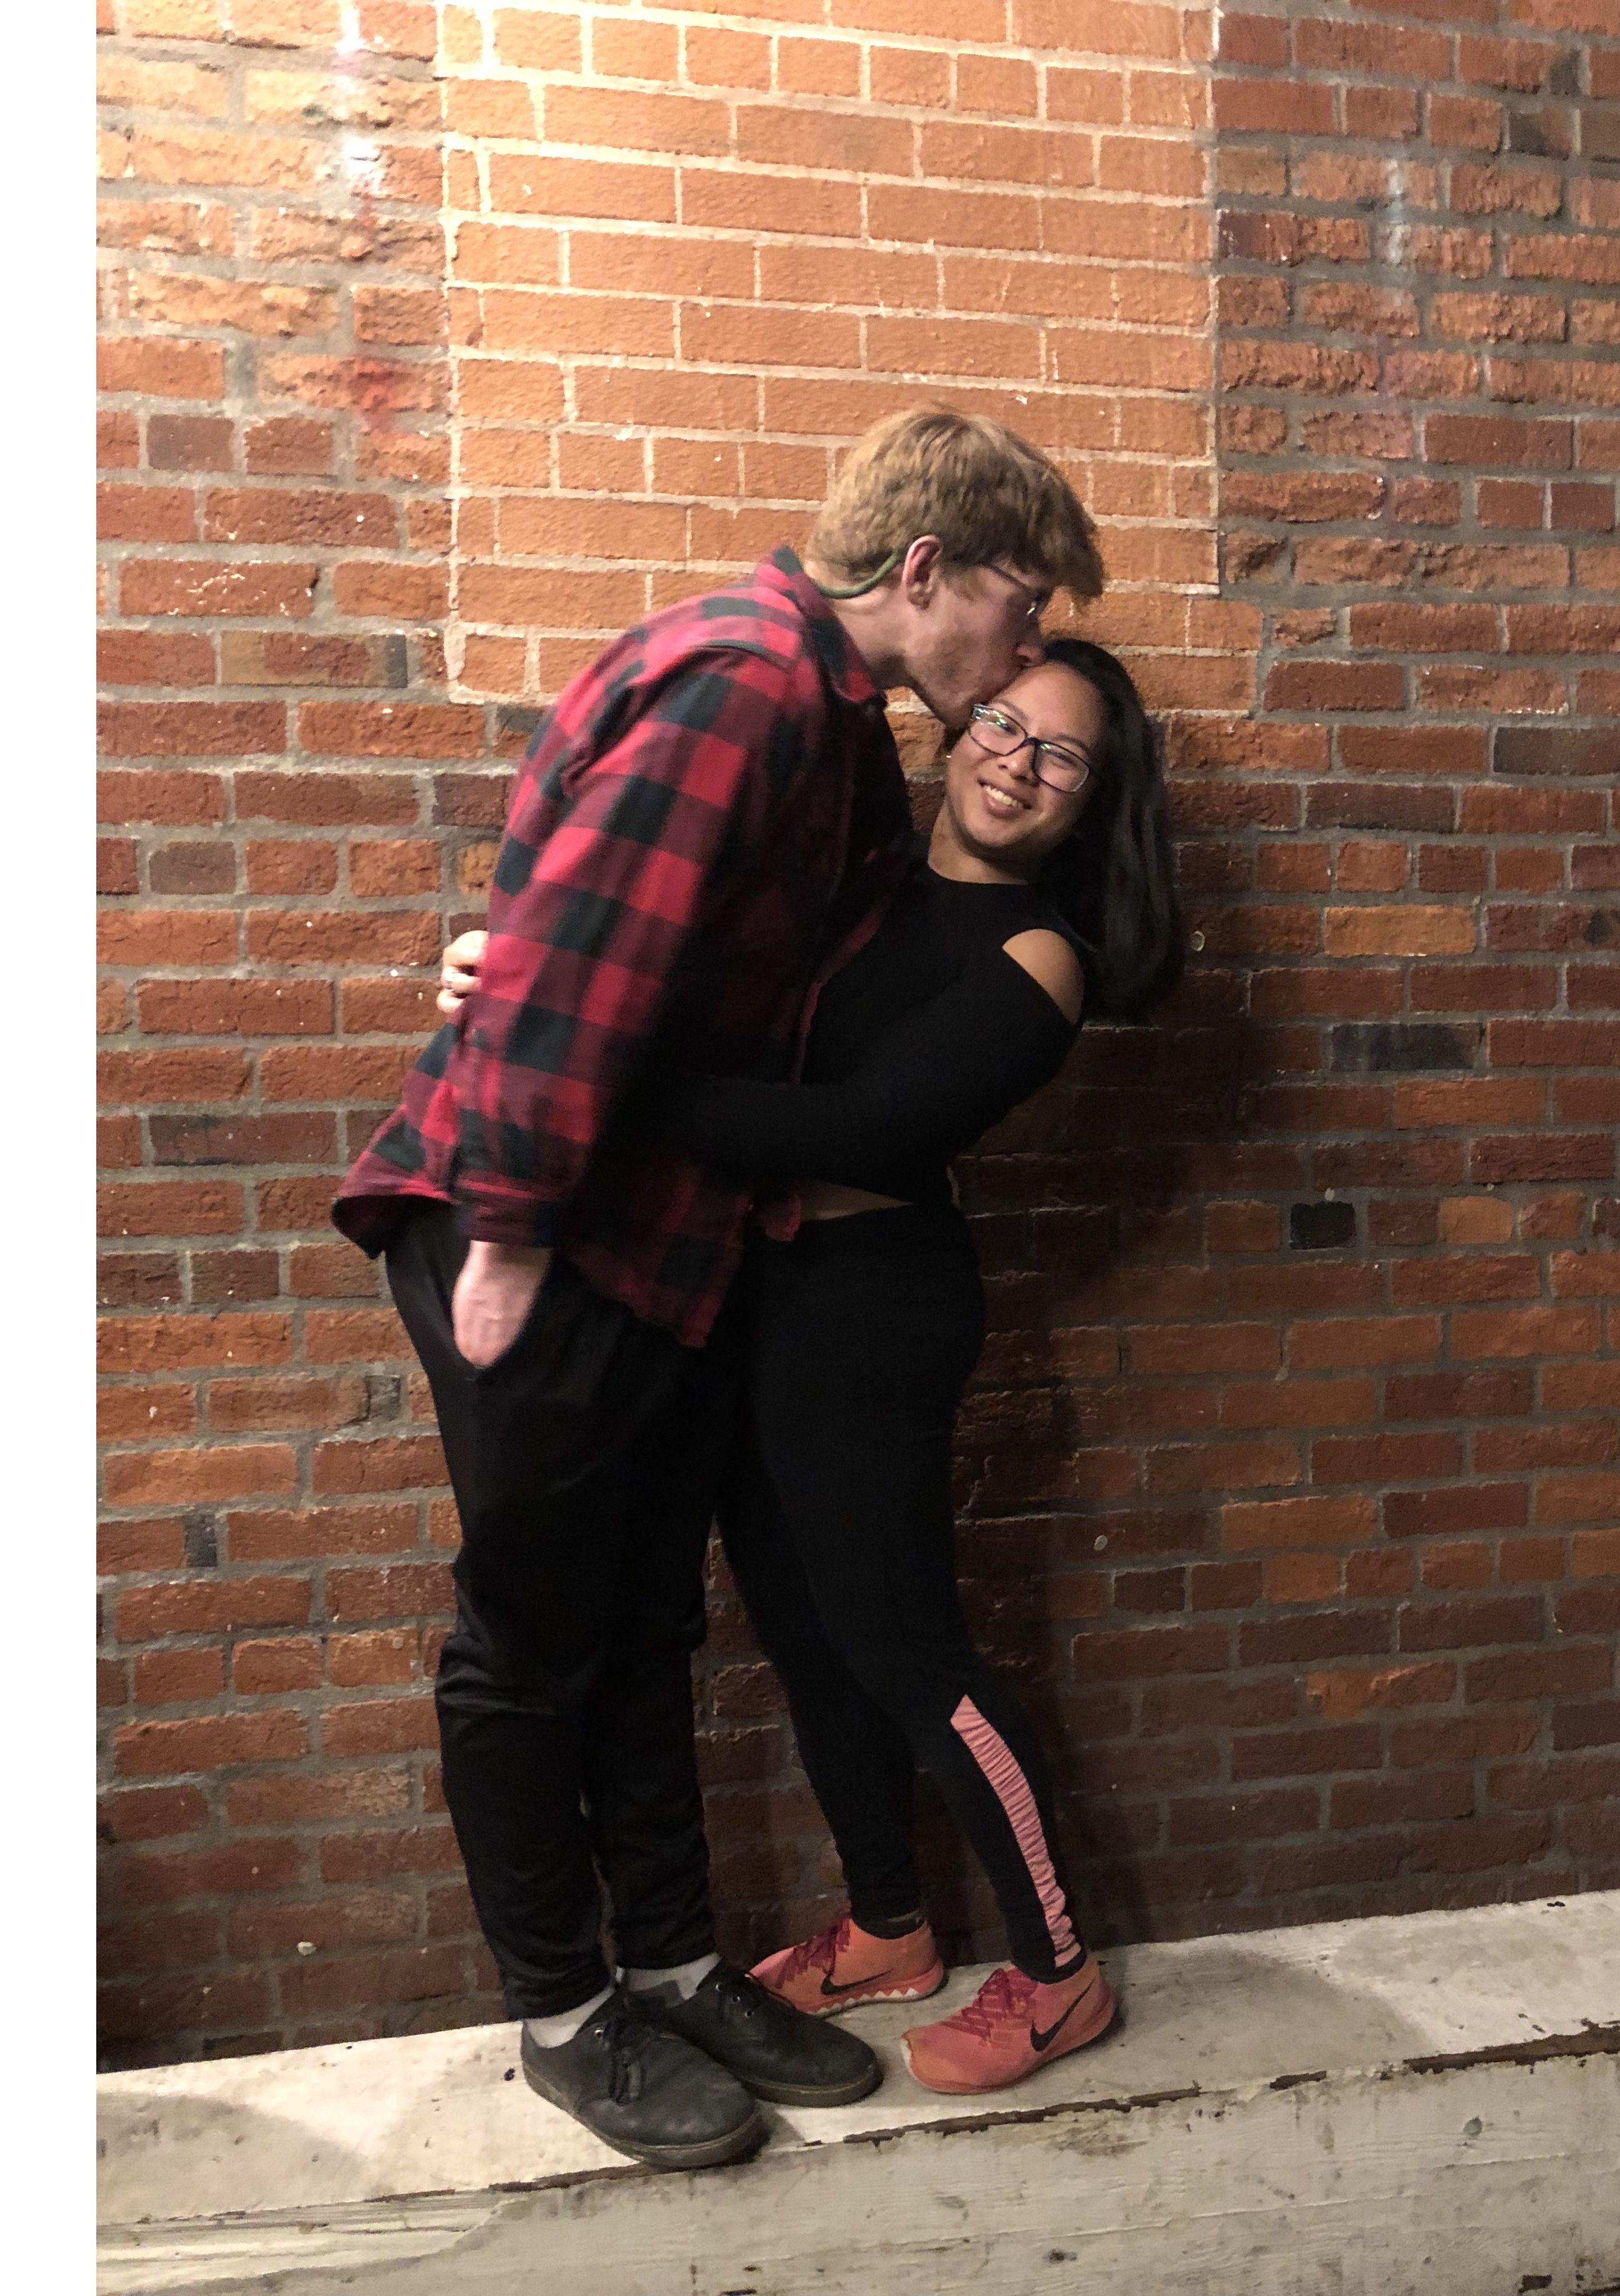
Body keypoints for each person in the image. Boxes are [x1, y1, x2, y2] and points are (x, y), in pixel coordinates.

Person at [330, 408, 1104, 2170]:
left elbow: (630, 950)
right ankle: (567, 2009)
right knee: (531, 1646)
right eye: (1025, 604)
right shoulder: (751, 682)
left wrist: (508, 958)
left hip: (653, 1244)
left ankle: (669, 1963)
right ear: (928, 572)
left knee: (650, 1626)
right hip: (549, 1237)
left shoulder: (823, 722)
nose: (1025, 650)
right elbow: (590, 969)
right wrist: (511, 1227)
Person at [437, 636, 1182, 2096]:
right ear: (958, 725)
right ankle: (892, 1928)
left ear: (1095, 804)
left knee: (912, 1653)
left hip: (873, 1314)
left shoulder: (1039, 957)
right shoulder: (861, 891)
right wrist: (517, 978)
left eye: (1061, 756)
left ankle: (1059, 1971)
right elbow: (678, 971)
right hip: (762, 1296)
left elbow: (853, 1131)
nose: (1014, 762)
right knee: (808, 1638)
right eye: (1004, 724)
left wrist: (589, 1070)